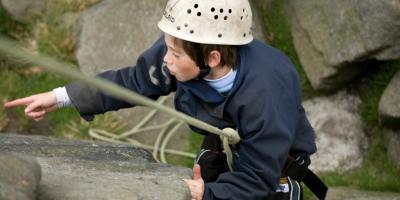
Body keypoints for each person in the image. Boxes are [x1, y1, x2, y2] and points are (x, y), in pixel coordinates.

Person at [4, 0, 318, 199]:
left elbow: (259, 175)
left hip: (274, 157)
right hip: (223, 136)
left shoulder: (266, 95)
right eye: (167, 46)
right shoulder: (183, 48)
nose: (164, 59)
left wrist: (211, 193)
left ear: (211, 57)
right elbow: (133, 82)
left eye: (174, 53)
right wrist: (61, 97)